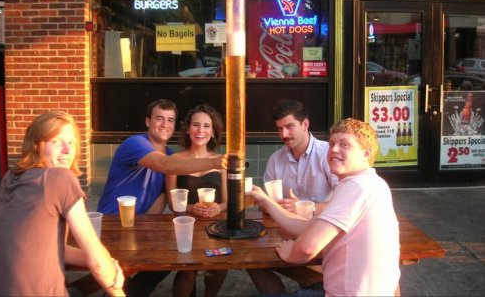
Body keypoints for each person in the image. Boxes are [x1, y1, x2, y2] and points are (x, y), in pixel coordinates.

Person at [250, 118, 401, 296]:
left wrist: (291, 253)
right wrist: (264, 199)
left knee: (258, 266)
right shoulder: (373, 183)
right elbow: (306, 227)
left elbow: (307, 248)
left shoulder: (356, 186)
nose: (334, 149)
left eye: (345, 144)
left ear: (366, 154)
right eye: (331, 144)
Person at [97, 99, 227, 296]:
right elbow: (167, 166)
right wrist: (215, 162)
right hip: (112, 222)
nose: (165, 125)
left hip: (139, 224)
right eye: (159, 119)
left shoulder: (169, 155)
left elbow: (162, 197)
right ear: (148, 122)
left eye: (170, 120)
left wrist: (147, 233)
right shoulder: (137, 144)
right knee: (116, 268)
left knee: (165, 260)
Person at [0, 111, 126, 296]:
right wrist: (111, 277)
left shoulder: (11, 177)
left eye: (71, 142)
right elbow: (96, 263)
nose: (67, 150)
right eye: (56, 142)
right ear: (37, 146)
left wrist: (107, 260)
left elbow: (57, 248)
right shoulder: (61, 178)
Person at [248, 98, 338, 293]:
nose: (284, 134)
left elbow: (343, 202)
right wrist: (267, 203)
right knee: (250, 257)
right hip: (285, 231)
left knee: (315, 270)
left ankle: (313, 284)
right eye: (280, 129)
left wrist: (309, 206)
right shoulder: (276, 159)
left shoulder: (327, 154)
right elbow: (265, 205)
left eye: (289, 127)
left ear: (305, 124)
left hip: (321, 234)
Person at [165, 104, 228, 297]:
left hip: (216, 226)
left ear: (213, 131)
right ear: (187, 129)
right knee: (187, 272)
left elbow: (228, 202)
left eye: (207, 126)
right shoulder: (175, 160)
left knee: (220, 267)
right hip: (185, 226)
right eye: (196, 125)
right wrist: (192, 208)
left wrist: (218, 208)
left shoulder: (221, 161)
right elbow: (171, 202)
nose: (201, 130)